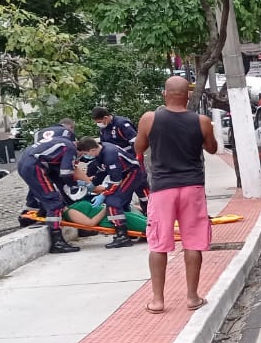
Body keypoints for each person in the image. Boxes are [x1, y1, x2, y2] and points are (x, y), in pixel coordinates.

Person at [135, 75, 218, 313]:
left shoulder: (149, 118)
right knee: (193, 242)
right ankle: (192, 297)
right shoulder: (201, 121)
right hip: (192, 187)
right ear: (188, 96)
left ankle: (158, 300)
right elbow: (212, 148)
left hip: (162, 189)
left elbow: (139, 148)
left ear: (165, 94)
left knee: (158, 244)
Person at [18, 129, 82, 253]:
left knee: (45, 194)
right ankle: (57, 242)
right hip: (34, 166)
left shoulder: (59, 143)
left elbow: (56, 177)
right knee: (54, 201)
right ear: (80, 148)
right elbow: (65, 173)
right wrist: (75, 185)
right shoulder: (71, 148)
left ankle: (42, 213)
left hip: (25, 162)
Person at [76, 137, 146, 249]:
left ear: (91, 150)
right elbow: (102, 172)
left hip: (132, 173)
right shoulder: (100, 152)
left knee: (113, 202)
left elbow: (115, 181)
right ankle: (130, 230)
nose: (85, 156)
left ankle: (122, 236)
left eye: (85, 153)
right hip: (124, 174)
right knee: (122, 203)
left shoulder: (110, 155)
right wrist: (91, 184)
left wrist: (104, 194)